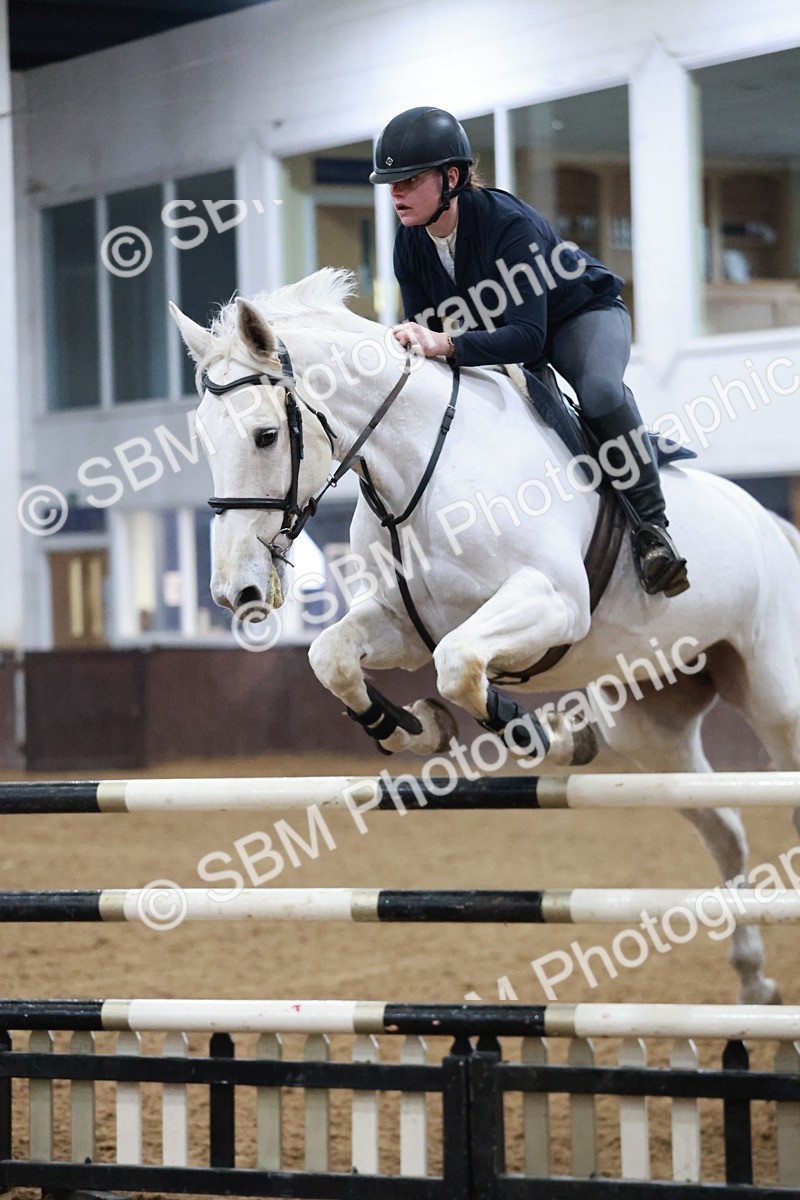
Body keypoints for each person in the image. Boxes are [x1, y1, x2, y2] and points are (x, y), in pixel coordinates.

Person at [370, 105, 689, 597]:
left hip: (579, 315)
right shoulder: (408, 245)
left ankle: (654, 531)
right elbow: (427, 337)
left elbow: (528, 337)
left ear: (451, 178)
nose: (396, 192)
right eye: (391, 182)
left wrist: (447, 342)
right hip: (508, 333)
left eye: (410, 180)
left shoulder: (509, 225)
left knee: (600, 394)